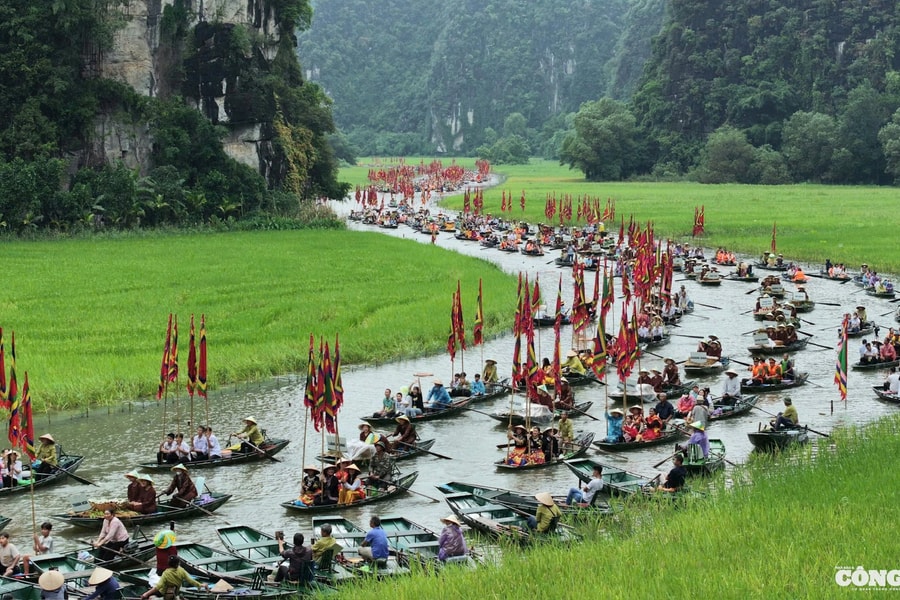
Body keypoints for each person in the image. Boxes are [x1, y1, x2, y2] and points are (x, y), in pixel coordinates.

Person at [140, 555, 208, 599]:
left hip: (164, 593)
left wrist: (146, 594)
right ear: (178, 563)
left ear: (169, 564)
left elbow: (158, 586)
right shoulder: (181, 570)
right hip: (175, 593)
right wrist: (201, 585)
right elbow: (191, 581)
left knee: (149, 595)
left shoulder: (166, 573)